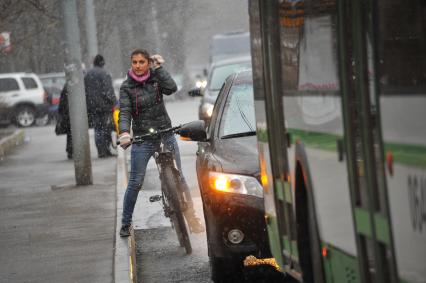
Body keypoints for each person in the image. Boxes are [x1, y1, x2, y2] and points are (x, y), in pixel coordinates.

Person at [118, 49, 204, 237]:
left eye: (142, 62)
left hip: (165, 133)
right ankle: (125, 223)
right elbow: (124, 112)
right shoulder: (126, 87)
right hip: (142, 139)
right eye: (135, 62)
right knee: (135, 182)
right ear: (131, 64)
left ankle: (191, 217)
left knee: (179, 177)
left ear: (148, 62)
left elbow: (172, 88)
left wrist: (160, 68)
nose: (138, 66)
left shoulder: (156, 79)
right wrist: (124, 132)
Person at [84, 54, 117, 158]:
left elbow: (85, 91)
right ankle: (105, 150)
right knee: (106, 128)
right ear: (102, 62)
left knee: (97, 129)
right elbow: (108, 91)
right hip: (104, 107)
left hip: (92, 106)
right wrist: (114, 102)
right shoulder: (104, 73)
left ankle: (100, 151)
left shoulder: (87, 74)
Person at [57, 83, 73, 160]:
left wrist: (61, 112)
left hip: (67, 112)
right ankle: (71, 150)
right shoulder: (78, 85)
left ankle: (70, 150)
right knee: (73, 132)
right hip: (72, 112)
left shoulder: (67, 85)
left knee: (70, 133)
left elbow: (62, 100)